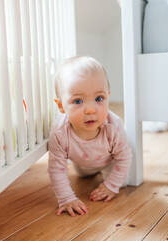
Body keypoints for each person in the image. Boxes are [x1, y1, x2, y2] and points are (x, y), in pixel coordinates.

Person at [48, 56, 132, 217]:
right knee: (83, 176)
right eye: (78, 101)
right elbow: (57, 169)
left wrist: (111, 186)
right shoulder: (59, 132)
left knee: (124, 181)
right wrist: (66, 199)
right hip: (81, 165)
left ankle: (109, 179)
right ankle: (91, 172)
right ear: (61, 106)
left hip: (110, 162)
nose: (91, 110)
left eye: (99, 99)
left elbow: (124, 157)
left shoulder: (112, 125)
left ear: (108, 96)